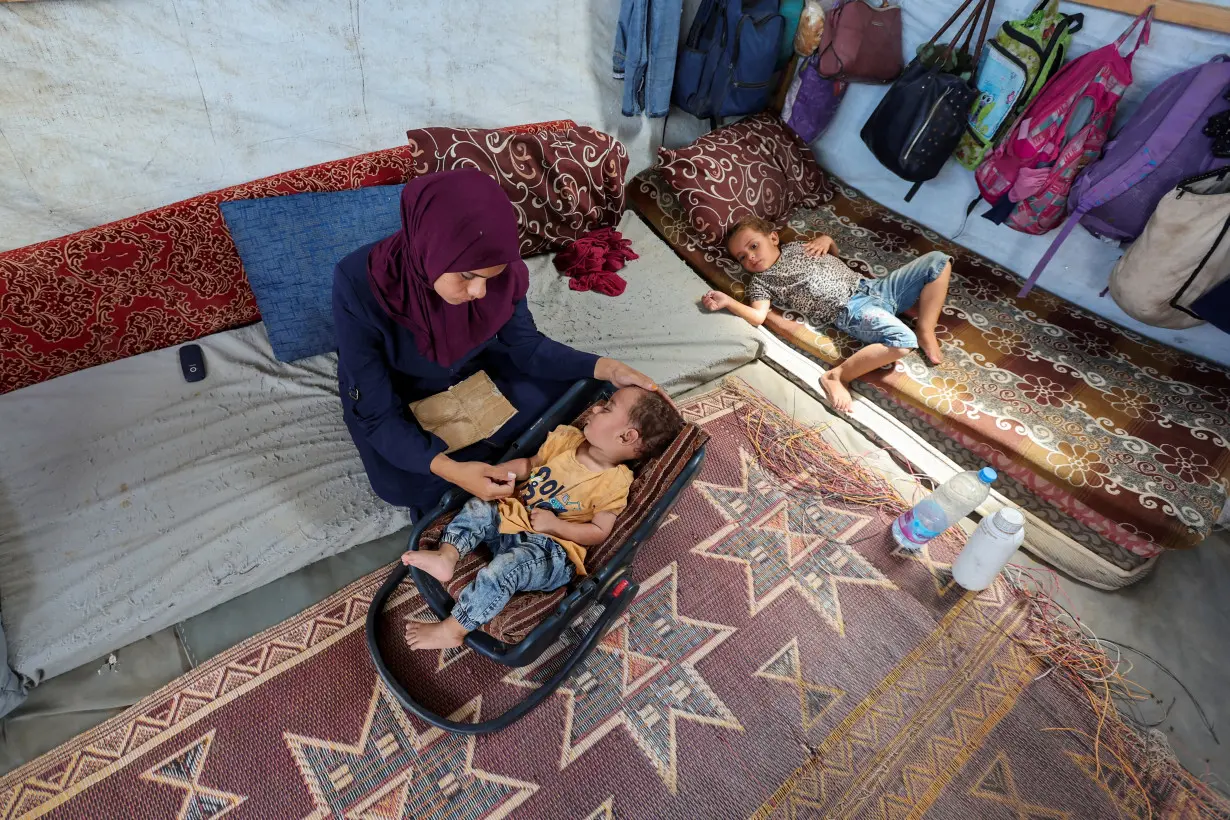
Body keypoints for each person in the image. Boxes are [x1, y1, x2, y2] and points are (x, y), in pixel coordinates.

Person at [333, 169, 656, 515]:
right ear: (430, 250)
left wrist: (611, 367)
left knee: (590, 389)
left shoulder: (504, 268)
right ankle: (481, 467)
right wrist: (453, 470)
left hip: (474, 368)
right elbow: (377, 413)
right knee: (401, 482)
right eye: (468, 276)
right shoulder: (359, 284)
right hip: (398, 392)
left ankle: (487, 468)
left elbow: (527, 347)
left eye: (491, 276)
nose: (479, 292)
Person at [402, 386, 682, 649]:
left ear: (626, 437)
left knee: (506, 568)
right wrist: (499, 473)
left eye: (607, 409)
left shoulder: (615, 482)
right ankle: (448, 555)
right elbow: (530, 464)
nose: (595, 409)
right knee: (480, 506)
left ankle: (455, 628)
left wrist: (556, 525)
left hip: (549, 552)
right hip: (514, 517)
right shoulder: (567, 439)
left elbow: (599, 531)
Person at [702, 216, 952, 413]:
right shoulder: (761, 282)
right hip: (850, 309)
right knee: (902, 341)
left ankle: (926, 328)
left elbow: (832, 255)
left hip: (873, 288)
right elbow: (757, 316)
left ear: (774, 238)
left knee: (938, 260)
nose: (751, 257)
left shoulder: (798, 246)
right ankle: (836, 376)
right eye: (742, 257)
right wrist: (728, 302)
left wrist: (826, 239)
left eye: (753, 246)